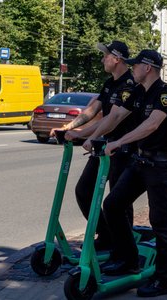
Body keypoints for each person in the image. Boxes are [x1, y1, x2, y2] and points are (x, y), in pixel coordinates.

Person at [83, 49, 167, 297]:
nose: (132, 68)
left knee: (161, 222)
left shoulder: (166, 93)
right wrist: (95, 137)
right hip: (140, 162)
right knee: (113, 205)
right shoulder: (138, 91)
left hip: (162, 166)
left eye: (135, 65)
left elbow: (152, 124)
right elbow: (115, 115)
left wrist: (118, 142)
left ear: (147, 68)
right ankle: (128, 259)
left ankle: (163, 280)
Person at [50, 40, 136, 251]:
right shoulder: (109, 84)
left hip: (122, 148)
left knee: (119, 199)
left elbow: (113, 119)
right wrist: (69, 128)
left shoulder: (129, 85)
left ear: (116, 59)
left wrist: (91, 136)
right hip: (103, 146)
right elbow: (92, 111)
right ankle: (106, 234)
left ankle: (124, 247)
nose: (102, 59)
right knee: (84, 190)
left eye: (105, 56)